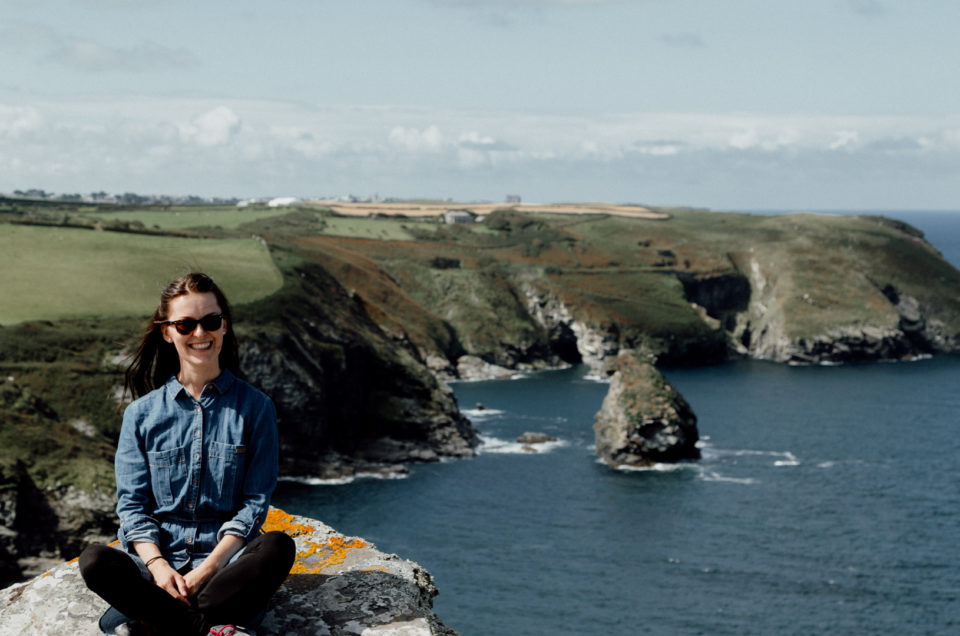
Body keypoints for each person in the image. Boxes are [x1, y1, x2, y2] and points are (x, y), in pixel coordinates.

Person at [79, 273, 295, 636]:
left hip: (224, 567)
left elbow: (255, 503)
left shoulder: (257, 408)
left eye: (211, 321)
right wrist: (162, 569)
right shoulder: (141, 415)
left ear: (224, 326)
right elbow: (133, 507)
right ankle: (204, 626)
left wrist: (207, 571)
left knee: (278, 546)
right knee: (94, 560)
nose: (200, 334)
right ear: (167, 332)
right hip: (155, 566)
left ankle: (158, 620)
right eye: (185, 324)